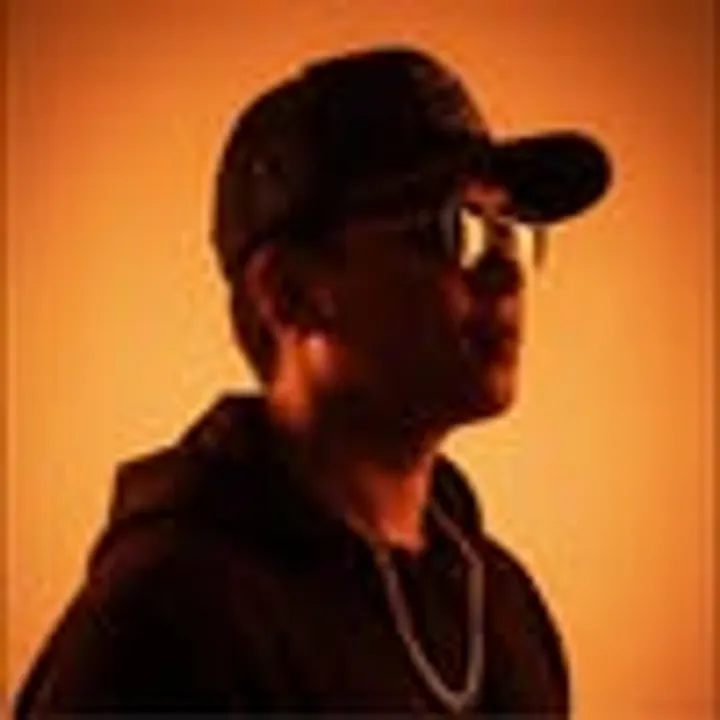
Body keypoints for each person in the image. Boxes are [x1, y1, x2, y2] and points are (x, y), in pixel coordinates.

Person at [15, 46, 610, 717]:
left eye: (511, 234)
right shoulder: (166, 623)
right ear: (289, 292)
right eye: (455, 232)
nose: (505, 276)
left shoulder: (502, 605)